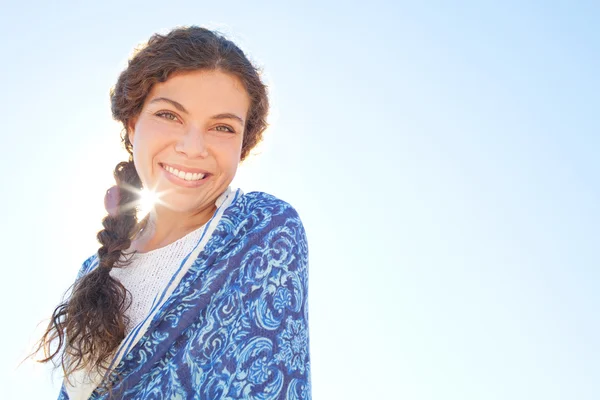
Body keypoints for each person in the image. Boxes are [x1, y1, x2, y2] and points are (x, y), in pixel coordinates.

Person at [33, 26, 311, 399]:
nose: (193, 147)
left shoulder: (262, 228)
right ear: (133, 125)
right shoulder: (94, 273)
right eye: (169, 115)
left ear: (242, 146)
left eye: (222, 127)